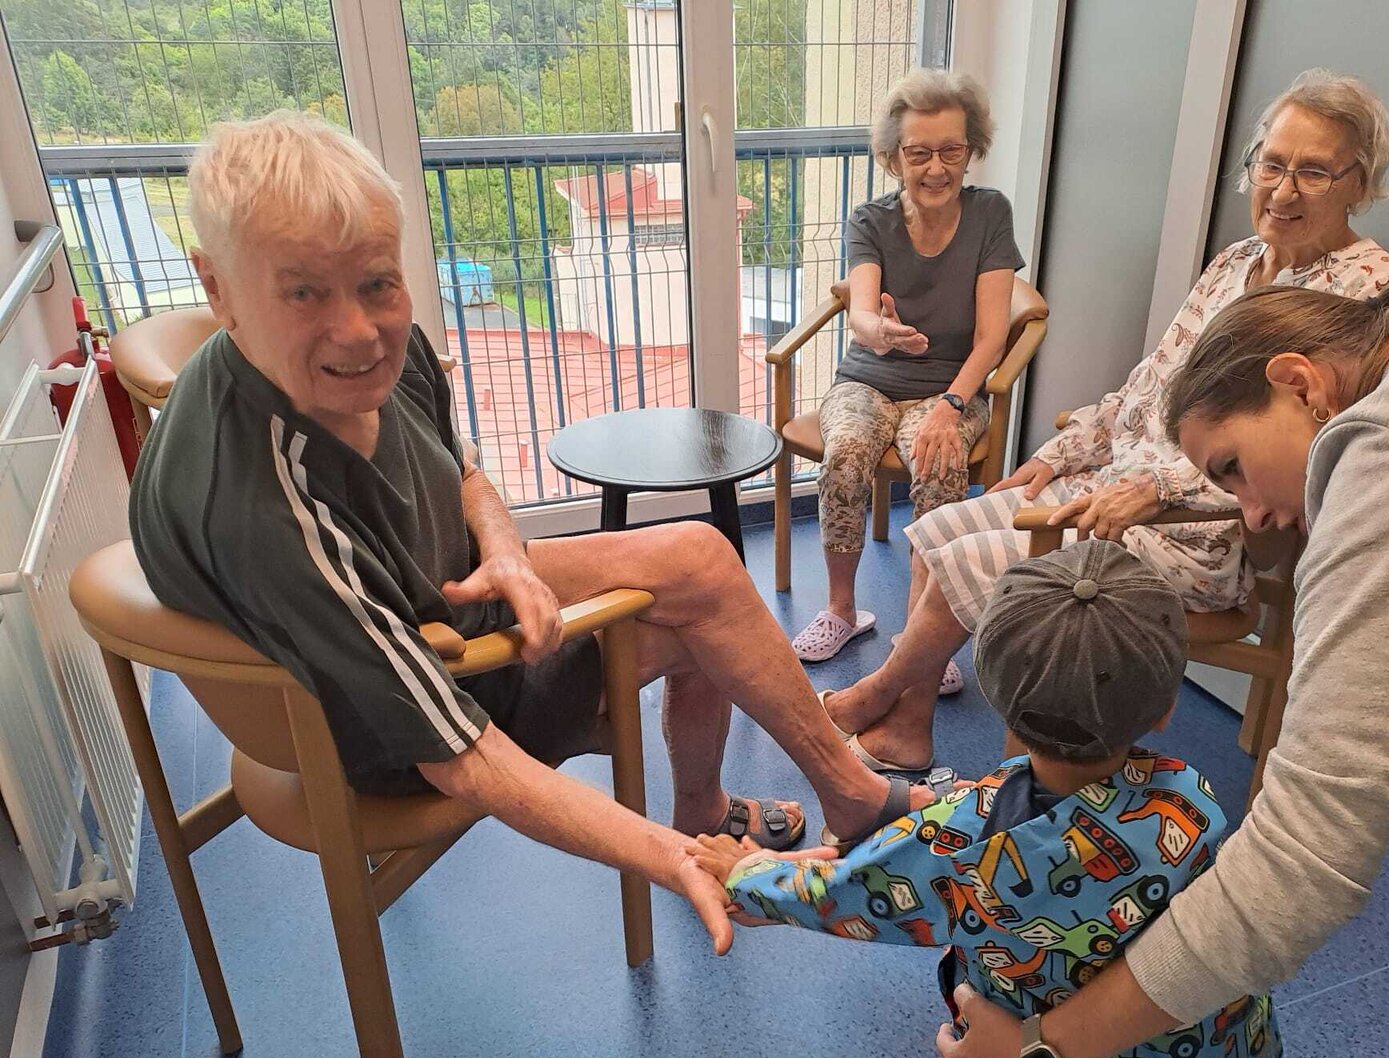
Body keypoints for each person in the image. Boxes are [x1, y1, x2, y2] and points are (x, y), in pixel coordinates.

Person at [129, 111, 931, 955]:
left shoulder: (374, 356)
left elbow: (466, 473)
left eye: (376, 283)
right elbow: (459, 755)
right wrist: (670, 862)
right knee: (708, 626)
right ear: (217, 289)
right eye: (303, 292)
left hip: (441, 602)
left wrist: (507, 553)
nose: (359, 330)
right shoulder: (269, 504)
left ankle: (827, 794)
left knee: (701, 558)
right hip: (396, 719)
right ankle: (716, 824)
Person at [934, 256, 1389, 1058]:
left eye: (1234, 467)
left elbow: (1308, 858)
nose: (1250, 515)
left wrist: (1043, 1055)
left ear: (1301, 384)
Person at [822, 68, 1389, 772]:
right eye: (1272, 165)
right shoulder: (1236, 262)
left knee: (967, 560)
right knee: (937, 532)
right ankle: (907, 730)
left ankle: (878, 695)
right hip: (1107, 488)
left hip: (1193, 534)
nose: (1282, 191)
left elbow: (1311, 460)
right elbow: (1147, 388)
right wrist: (1057, 455)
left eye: (1312, 172)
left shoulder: (1366, 292)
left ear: (1359, 182)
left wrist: (1160, 490)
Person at [696, 542, 1280, 1058]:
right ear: (1167, 705)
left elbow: (849, 893)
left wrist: (749, 873)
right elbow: (1218, 953)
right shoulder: (1195, 807)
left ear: (998, 698)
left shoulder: (971, 836)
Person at [790, 68, 1023, 668]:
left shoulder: (990, 213)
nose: (936, 168)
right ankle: (842, 610)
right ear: (894, 158)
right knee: (845, 456)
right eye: (919, 153)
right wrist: (879, 331)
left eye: (952, 150)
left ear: (972, 150)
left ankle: (921, 637)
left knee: (941, 466)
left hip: (950, 387)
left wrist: (951, 406)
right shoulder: (870, 220)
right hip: (867, 379)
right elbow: (862, 313)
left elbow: (992, 337)